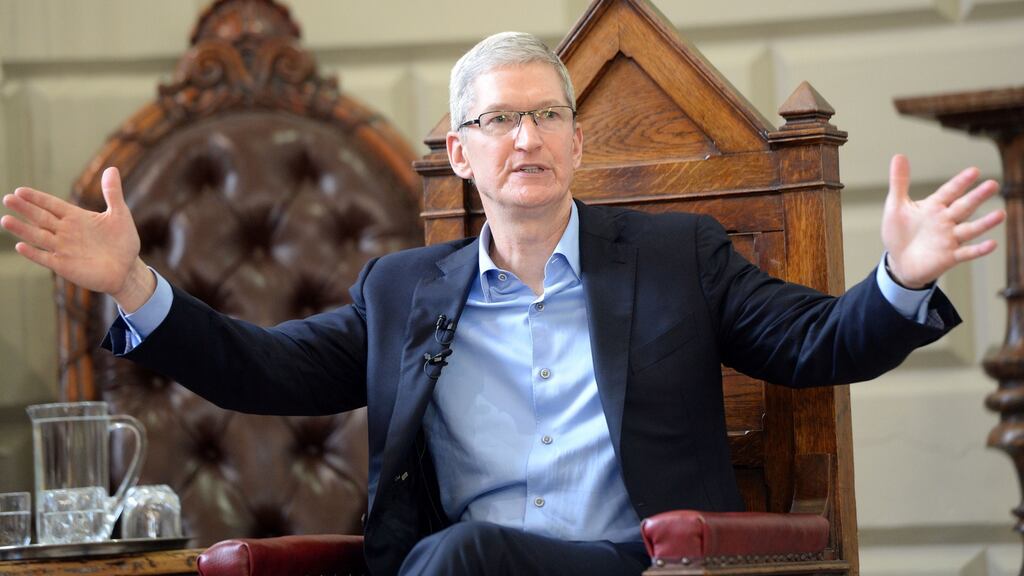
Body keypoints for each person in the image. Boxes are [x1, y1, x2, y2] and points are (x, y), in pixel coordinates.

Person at [0, 32, 1006, 576]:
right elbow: (264, 370)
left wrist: (903, 279)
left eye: (544, 116)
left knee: (461, 554)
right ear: (464, 153)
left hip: (635, 567)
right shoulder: (403, 292)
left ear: (575, 144)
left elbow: (816, 342)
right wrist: (133, 284)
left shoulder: (674, 257)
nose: (523, 138)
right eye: (496, 120)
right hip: (458, 572)